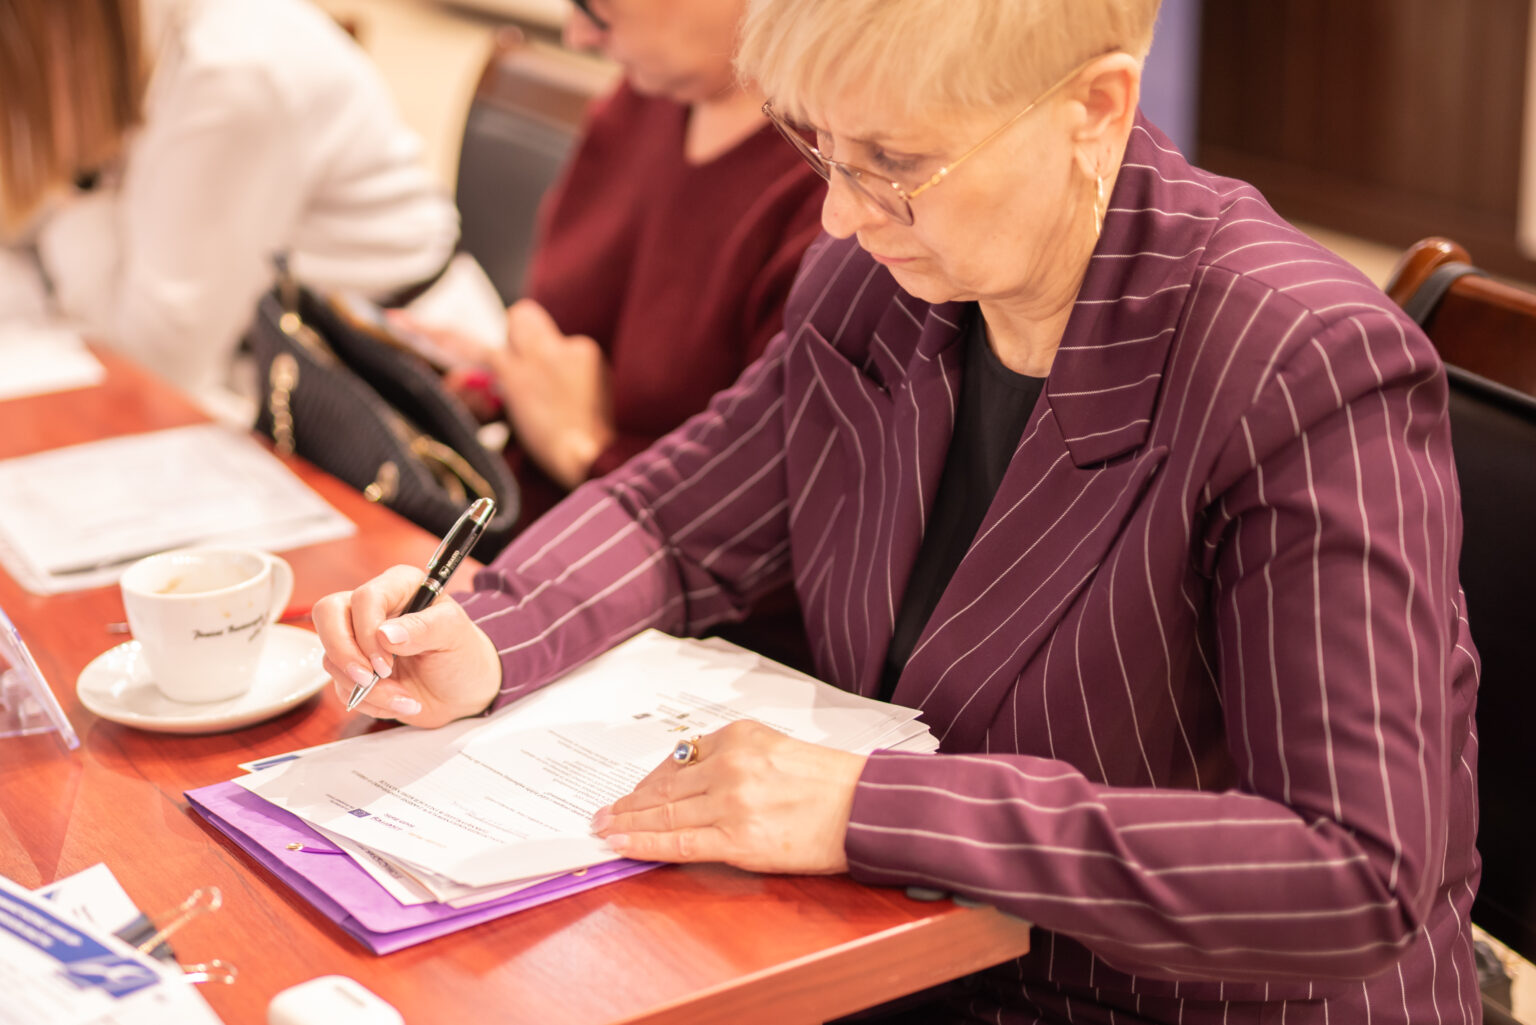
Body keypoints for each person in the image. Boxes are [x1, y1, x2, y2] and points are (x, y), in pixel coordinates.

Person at [314, 0, 1480, 1021]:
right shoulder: (887, 278)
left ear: (1095, 108)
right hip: (910, 955)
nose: (838, 214)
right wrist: (487, 633)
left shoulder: (1301, 364)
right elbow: (678, 514)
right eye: (819, 146)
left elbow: (1353, 869)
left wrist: (867, 804)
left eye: (893, 159)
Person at [411, 0, 824, 535]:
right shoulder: (643, 99)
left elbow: (760, 525)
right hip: (523, 520)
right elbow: (579, 333)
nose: (579, 36)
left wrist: (584, 449)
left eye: (597, 8)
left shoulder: (835, 194)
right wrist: (509, 381)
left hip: (631, 558)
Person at [0, 0, 457, 407]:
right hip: (257, 362)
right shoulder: (127, 48)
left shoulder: (229, 73)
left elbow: (157, 366)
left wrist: (74, 183)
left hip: (398, 389)